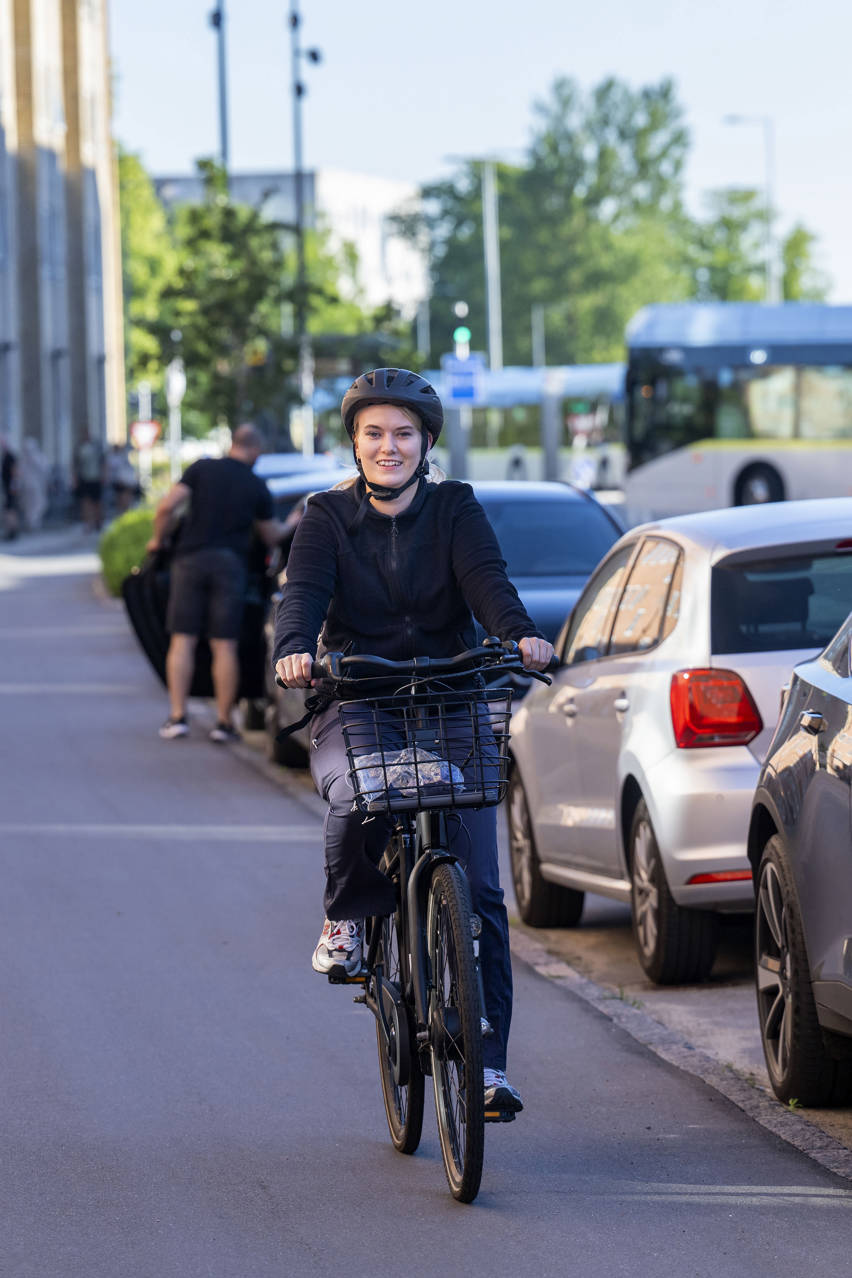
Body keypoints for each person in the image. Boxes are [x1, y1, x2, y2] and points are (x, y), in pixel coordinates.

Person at [273, 368, 554, 1114]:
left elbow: (487, 580)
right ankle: (348, 915)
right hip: (359, 694)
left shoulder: (455, 507)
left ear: (426, 442)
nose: (388, 446)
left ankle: (488, 1068)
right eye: (373, 433)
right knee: (357, 795)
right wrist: (295, 647)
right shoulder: (326, 516)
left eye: (403, 433)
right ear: (355, 442)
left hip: (451, 693)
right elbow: (303, 594)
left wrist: (518, 632)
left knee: (483, 892)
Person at [148, 423, 287, 743]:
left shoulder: (201, 469)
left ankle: (177, 717)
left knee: (182, 640)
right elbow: (271, 536)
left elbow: (167, 506)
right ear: (255, 449)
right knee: (224, 644)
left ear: (233, 443)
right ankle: (224, 723)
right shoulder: (256, 484)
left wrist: (158, 540)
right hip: (231, 566)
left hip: (189, 561)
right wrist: (292, 521)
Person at [73, 432, 106, 531]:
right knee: (85, 502)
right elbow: (75, 464)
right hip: (84, 478)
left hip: (95, 478)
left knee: (97, 502)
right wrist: (75, 478)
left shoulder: (96, 448)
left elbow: (103, 462)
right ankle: (88, 523)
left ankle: (98, 521)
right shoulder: (79, 448)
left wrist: (104, 475)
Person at [19, 437, 49, 532]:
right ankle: (31, 522)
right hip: (29, 486)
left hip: (37, 485)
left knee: (39, 504)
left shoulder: (38, 458)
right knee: (29, 505)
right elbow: (20, 474)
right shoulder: (24, 460)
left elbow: (45, 470)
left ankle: (34, 522)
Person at [0, 436, 20, 540]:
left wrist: (13, 487)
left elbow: (15, 472)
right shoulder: (5, 457)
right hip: (7, 487)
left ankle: (12, 532)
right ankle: (10, 531)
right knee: (9, 509)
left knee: (10, 509)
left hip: (10, 488)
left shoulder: (10, 456)